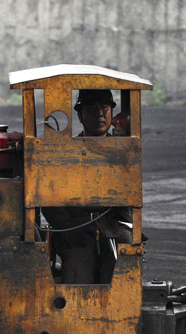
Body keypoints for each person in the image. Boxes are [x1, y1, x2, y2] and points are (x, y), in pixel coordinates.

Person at [42, 90, 134, 284]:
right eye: (92, 108)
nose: (99, 114)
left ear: (111, 113)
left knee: (122, 258)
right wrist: (71, 228)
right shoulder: (66, 153)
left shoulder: (122, 150)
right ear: (79, 115)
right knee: (77, 266)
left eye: (104, 108)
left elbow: (130, 197)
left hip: (112, 226)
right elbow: (50, 199)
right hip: (75, 229)